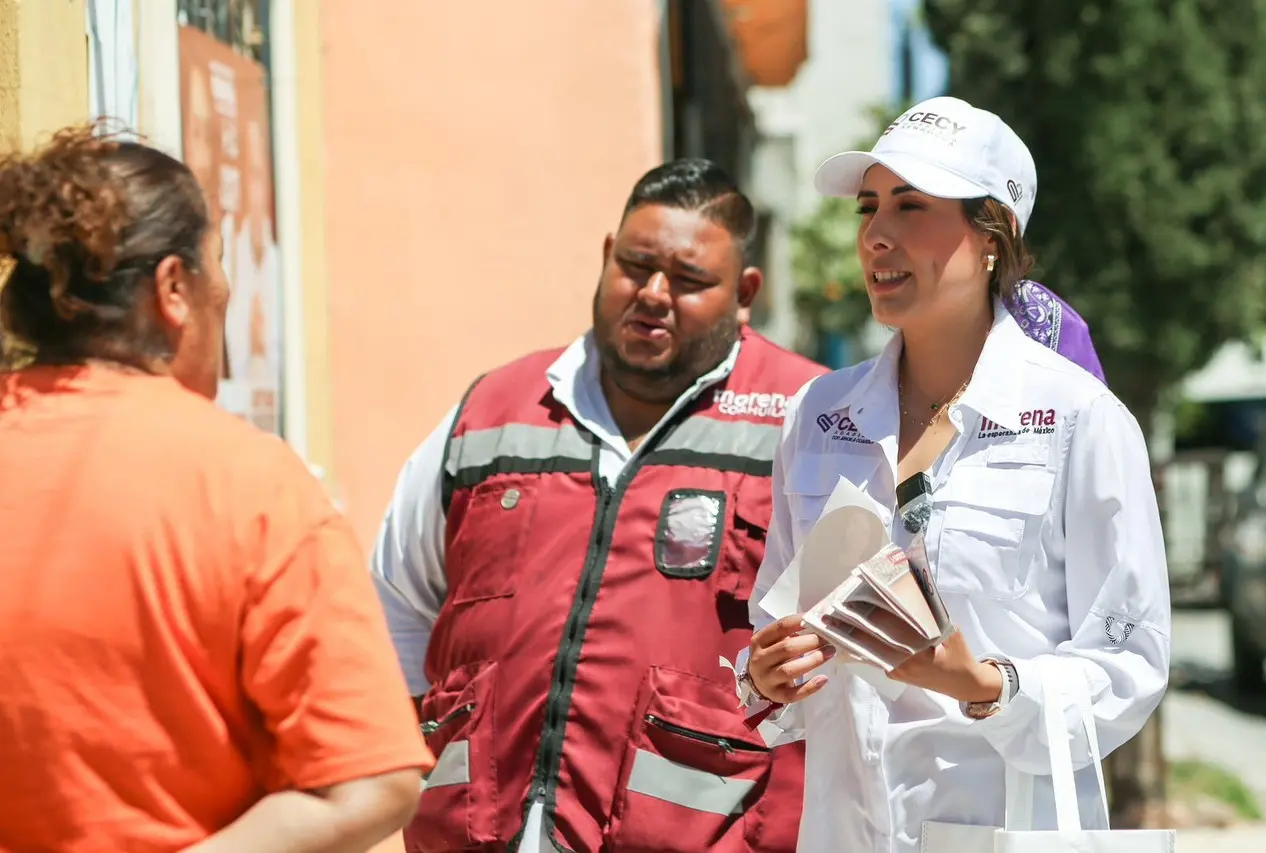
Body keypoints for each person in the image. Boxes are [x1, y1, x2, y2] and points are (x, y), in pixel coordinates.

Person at [740, 97, 1171, 852]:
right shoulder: (818, 413)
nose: (877, 233)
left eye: (912, 206)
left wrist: (985, 684)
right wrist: (767, 673)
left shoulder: (1080, 419)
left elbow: (1131, 661)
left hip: (1002, 830)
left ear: (993, 236)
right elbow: (769, 631)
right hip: (844, 831)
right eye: (869, 207)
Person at [372, 159, 826, 853]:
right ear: (607, 255)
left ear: (745, 293)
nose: (652, 293)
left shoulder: (808, 421)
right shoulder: (491, 411)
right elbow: (398, 605)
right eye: (635, 265)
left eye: (688, 279)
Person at [0, 126, 431, 853]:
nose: (227, 291)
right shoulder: (250, 485)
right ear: (173, 288)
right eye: (218, 264)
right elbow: (373, 782)